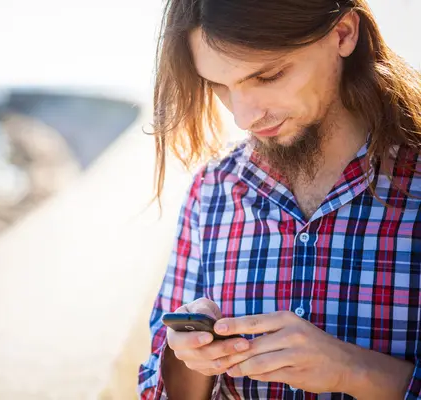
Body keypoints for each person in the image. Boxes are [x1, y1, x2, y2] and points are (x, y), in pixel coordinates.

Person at [138, 0, 421, 399]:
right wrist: (190, 360)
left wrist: (352, 371)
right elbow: (156, 387)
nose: (243, 116)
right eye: (219, 85)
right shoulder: (213, 189)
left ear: (343, 34)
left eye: (268, 76)